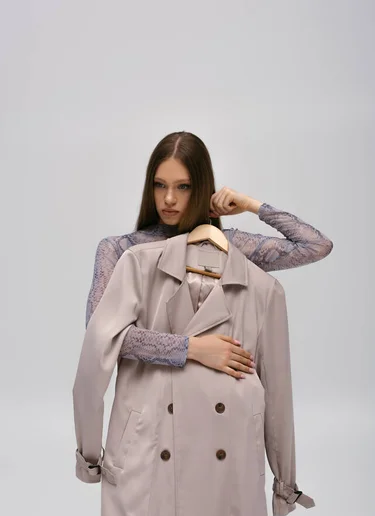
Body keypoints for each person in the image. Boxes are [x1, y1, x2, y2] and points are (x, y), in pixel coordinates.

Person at [85, 131, 333, 378]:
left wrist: (249, 204)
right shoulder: (117, 250)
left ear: (201, 188)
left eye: (183, 187)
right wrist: (193, 348)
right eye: (159, 185)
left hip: (214, 402)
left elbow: (315, 246)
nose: (169, 198)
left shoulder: (226, 245)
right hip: (149, 406)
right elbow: (101, 335)